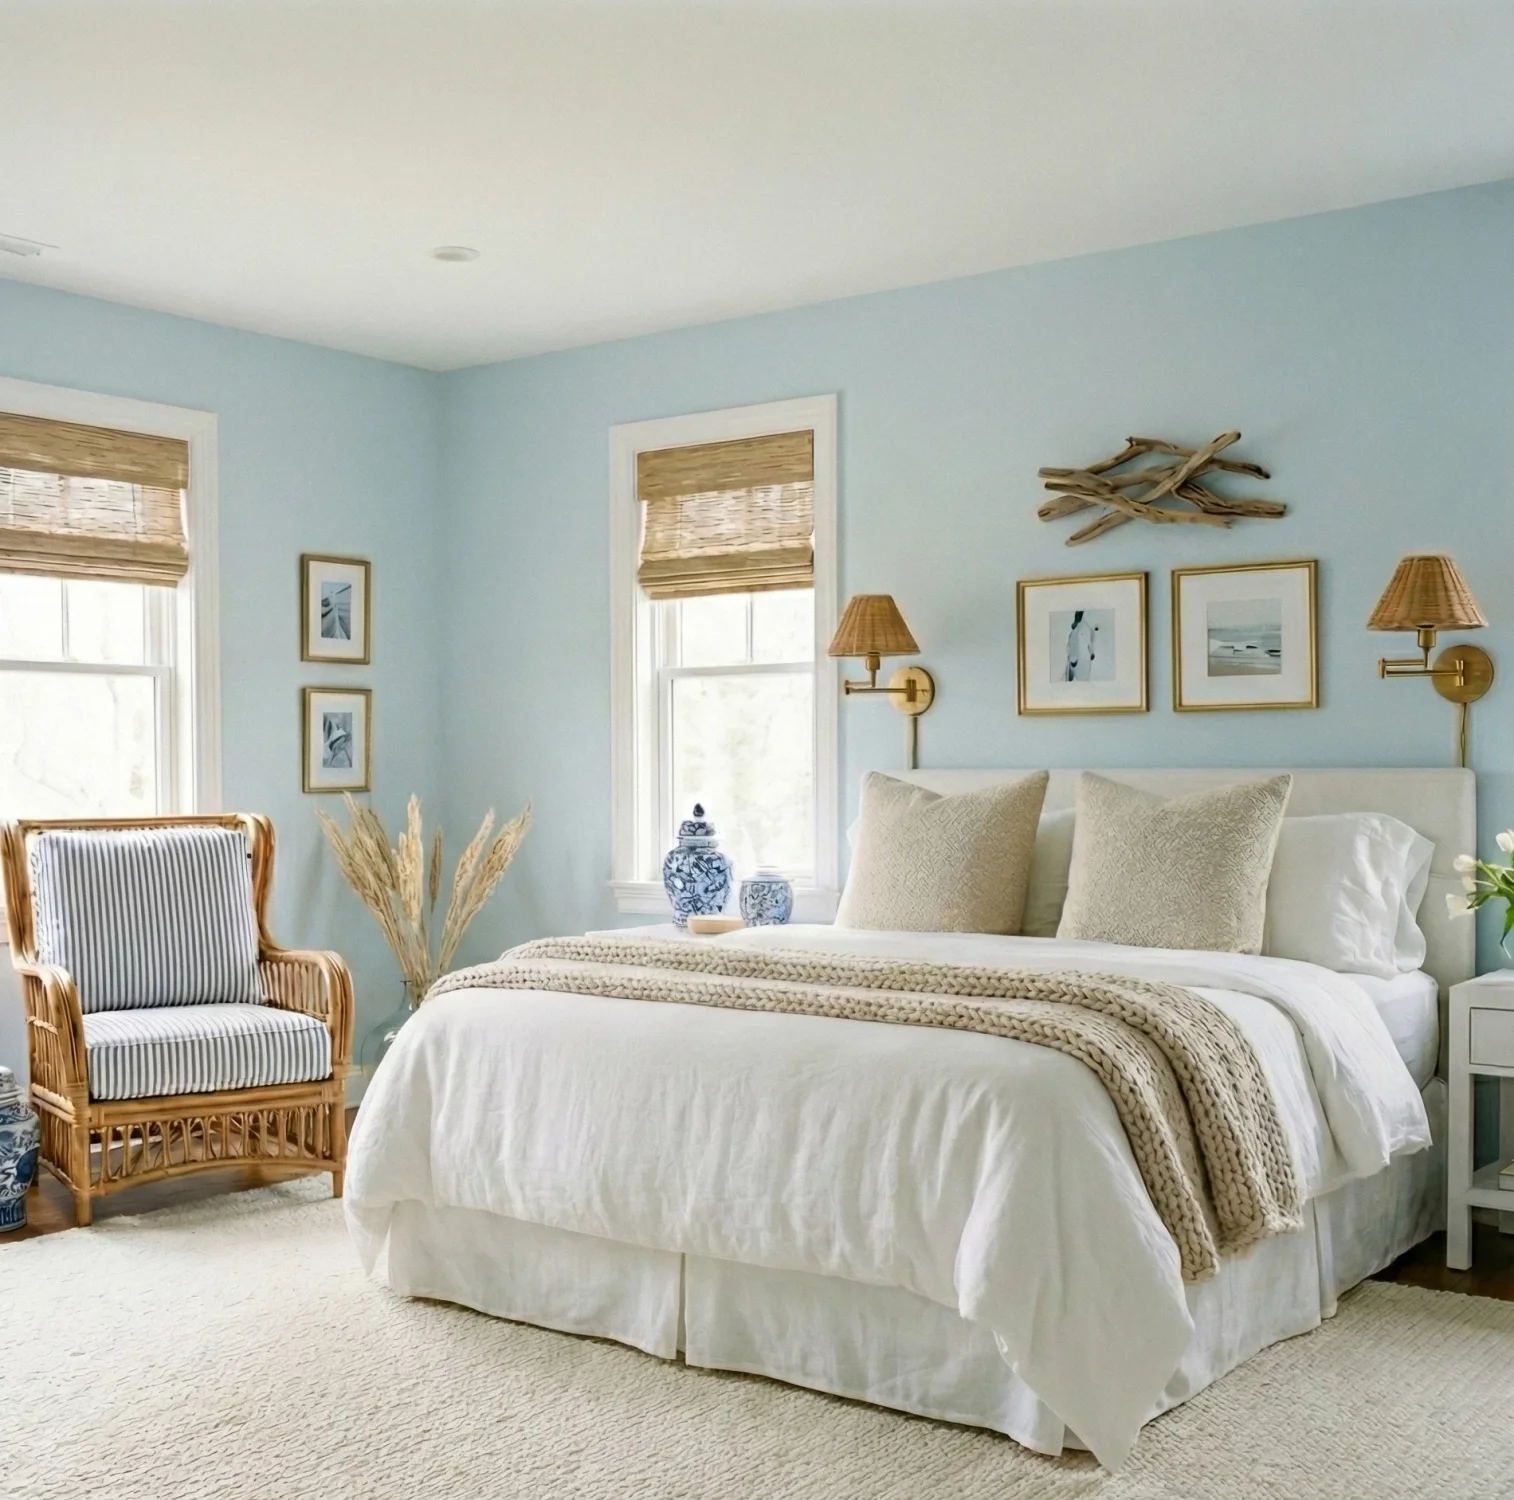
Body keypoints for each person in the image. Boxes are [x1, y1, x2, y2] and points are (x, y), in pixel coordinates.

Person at [1064, 610, 1100, 682]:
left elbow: (1089, 643)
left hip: (1081, 660)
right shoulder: (1079, 630)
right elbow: (1071, 646)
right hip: (1079, 661)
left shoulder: (1082, 629)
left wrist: (1091, 652)